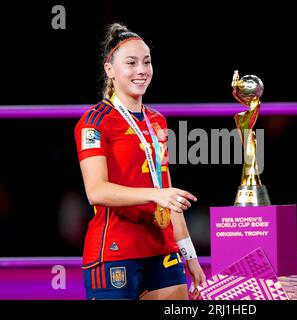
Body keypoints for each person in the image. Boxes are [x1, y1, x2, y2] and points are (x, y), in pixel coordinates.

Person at [74, 23, 206, 300]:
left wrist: (189, 255)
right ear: (110, 70)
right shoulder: (94, 122)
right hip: (115, 250)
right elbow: (96, 192)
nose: (142, 70)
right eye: (131, 63)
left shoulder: (157, 120)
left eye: (146, 62)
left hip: (162, 249)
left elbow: (168, 194)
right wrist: (156, 194)